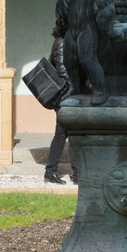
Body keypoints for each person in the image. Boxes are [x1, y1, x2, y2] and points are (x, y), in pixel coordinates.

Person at [42, 22, 76, 185]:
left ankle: (75, 172)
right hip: (65, 97)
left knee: (70, 134)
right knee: (63, 134)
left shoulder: (67, 41)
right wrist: (77, 88)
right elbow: (63, 72)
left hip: (69, 96)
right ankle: (51, 171)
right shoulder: (62, 43)